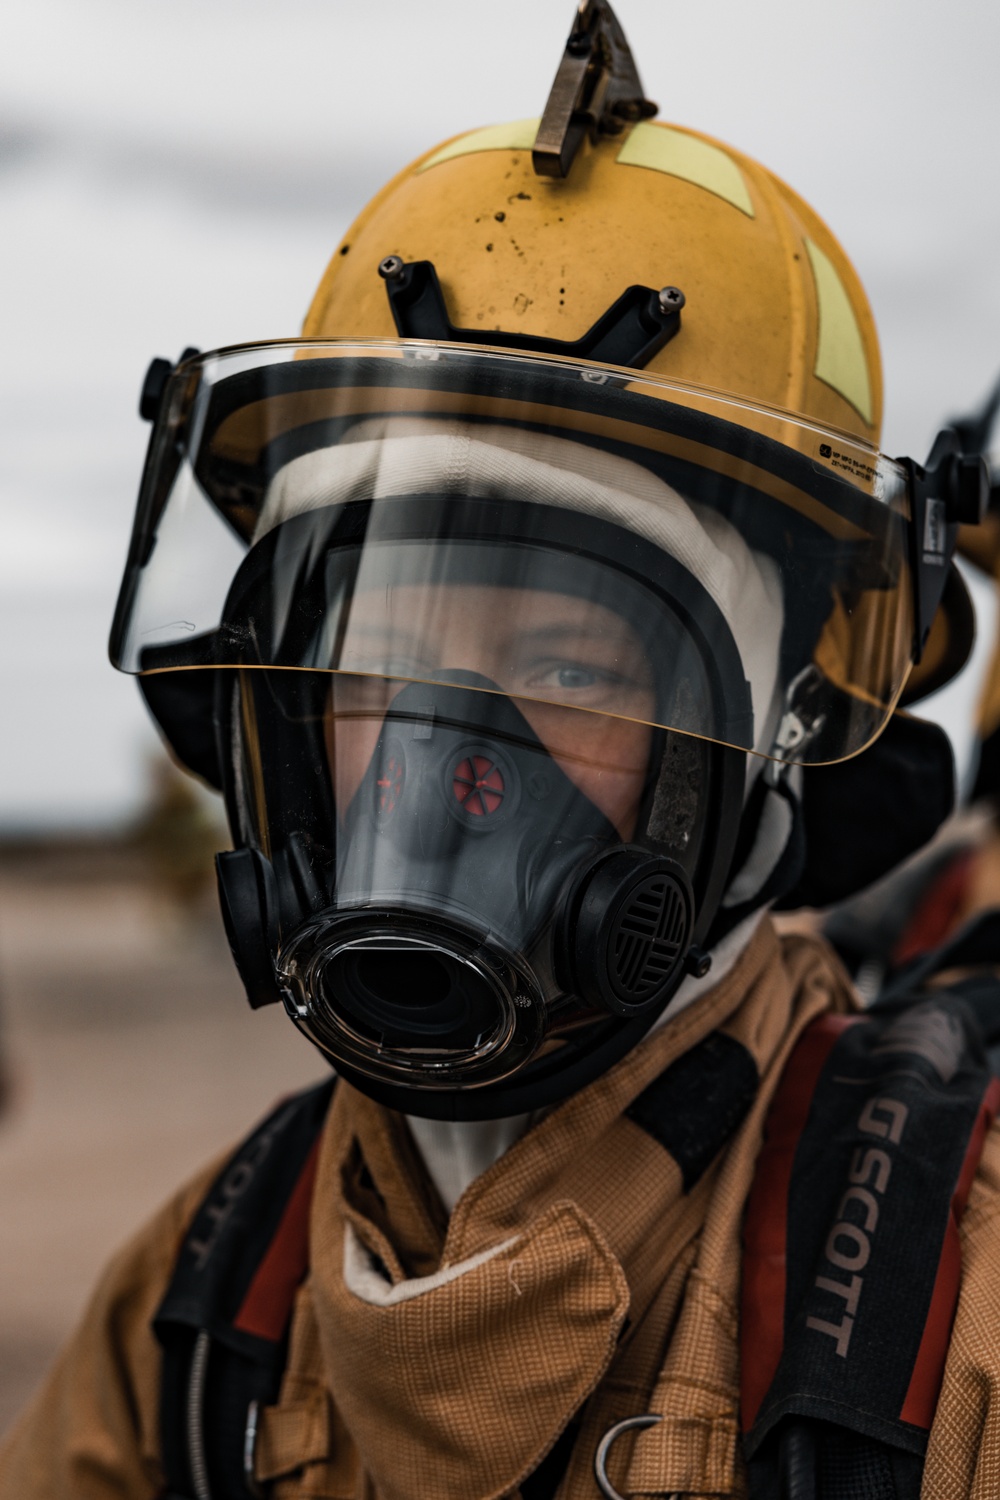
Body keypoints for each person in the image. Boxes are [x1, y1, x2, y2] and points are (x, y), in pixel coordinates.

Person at [3, 5, 999, 1497]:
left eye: (568, 669)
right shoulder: (203, 1315)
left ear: (766, 767)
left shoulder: (948, 1306)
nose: (445, 766)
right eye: (382, 660)